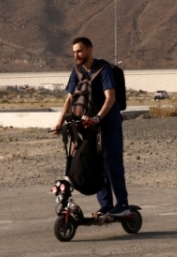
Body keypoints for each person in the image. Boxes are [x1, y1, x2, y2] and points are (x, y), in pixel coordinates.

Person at [52, 36, 130, 218]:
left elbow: (110, 97)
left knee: (112, 163)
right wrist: (60, 122)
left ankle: (123, 204)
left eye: (79, 51)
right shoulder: (77, 72)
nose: (76, 55)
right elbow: (70, 98)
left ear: (89, 50)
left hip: (108, 123)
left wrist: (98, 117)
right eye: (74, 52)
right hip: (88, 125)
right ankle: (106, 205)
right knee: (94, 163)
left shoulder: (103, 70)